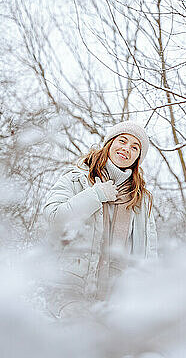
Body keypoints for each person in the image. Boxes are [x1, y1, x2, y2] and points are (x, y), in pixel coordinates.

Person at [44, 121, 158, 305]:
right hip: (71, 291)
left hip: (118, 301)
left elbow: (148, 252)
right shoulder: (77, 178)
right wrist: (96, 195)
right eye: (122, 140)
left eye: (135, 147)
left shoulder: (140, 200)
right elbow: (55, 217)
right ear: (110, 143)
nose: (127, 148)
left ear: (138, 157)